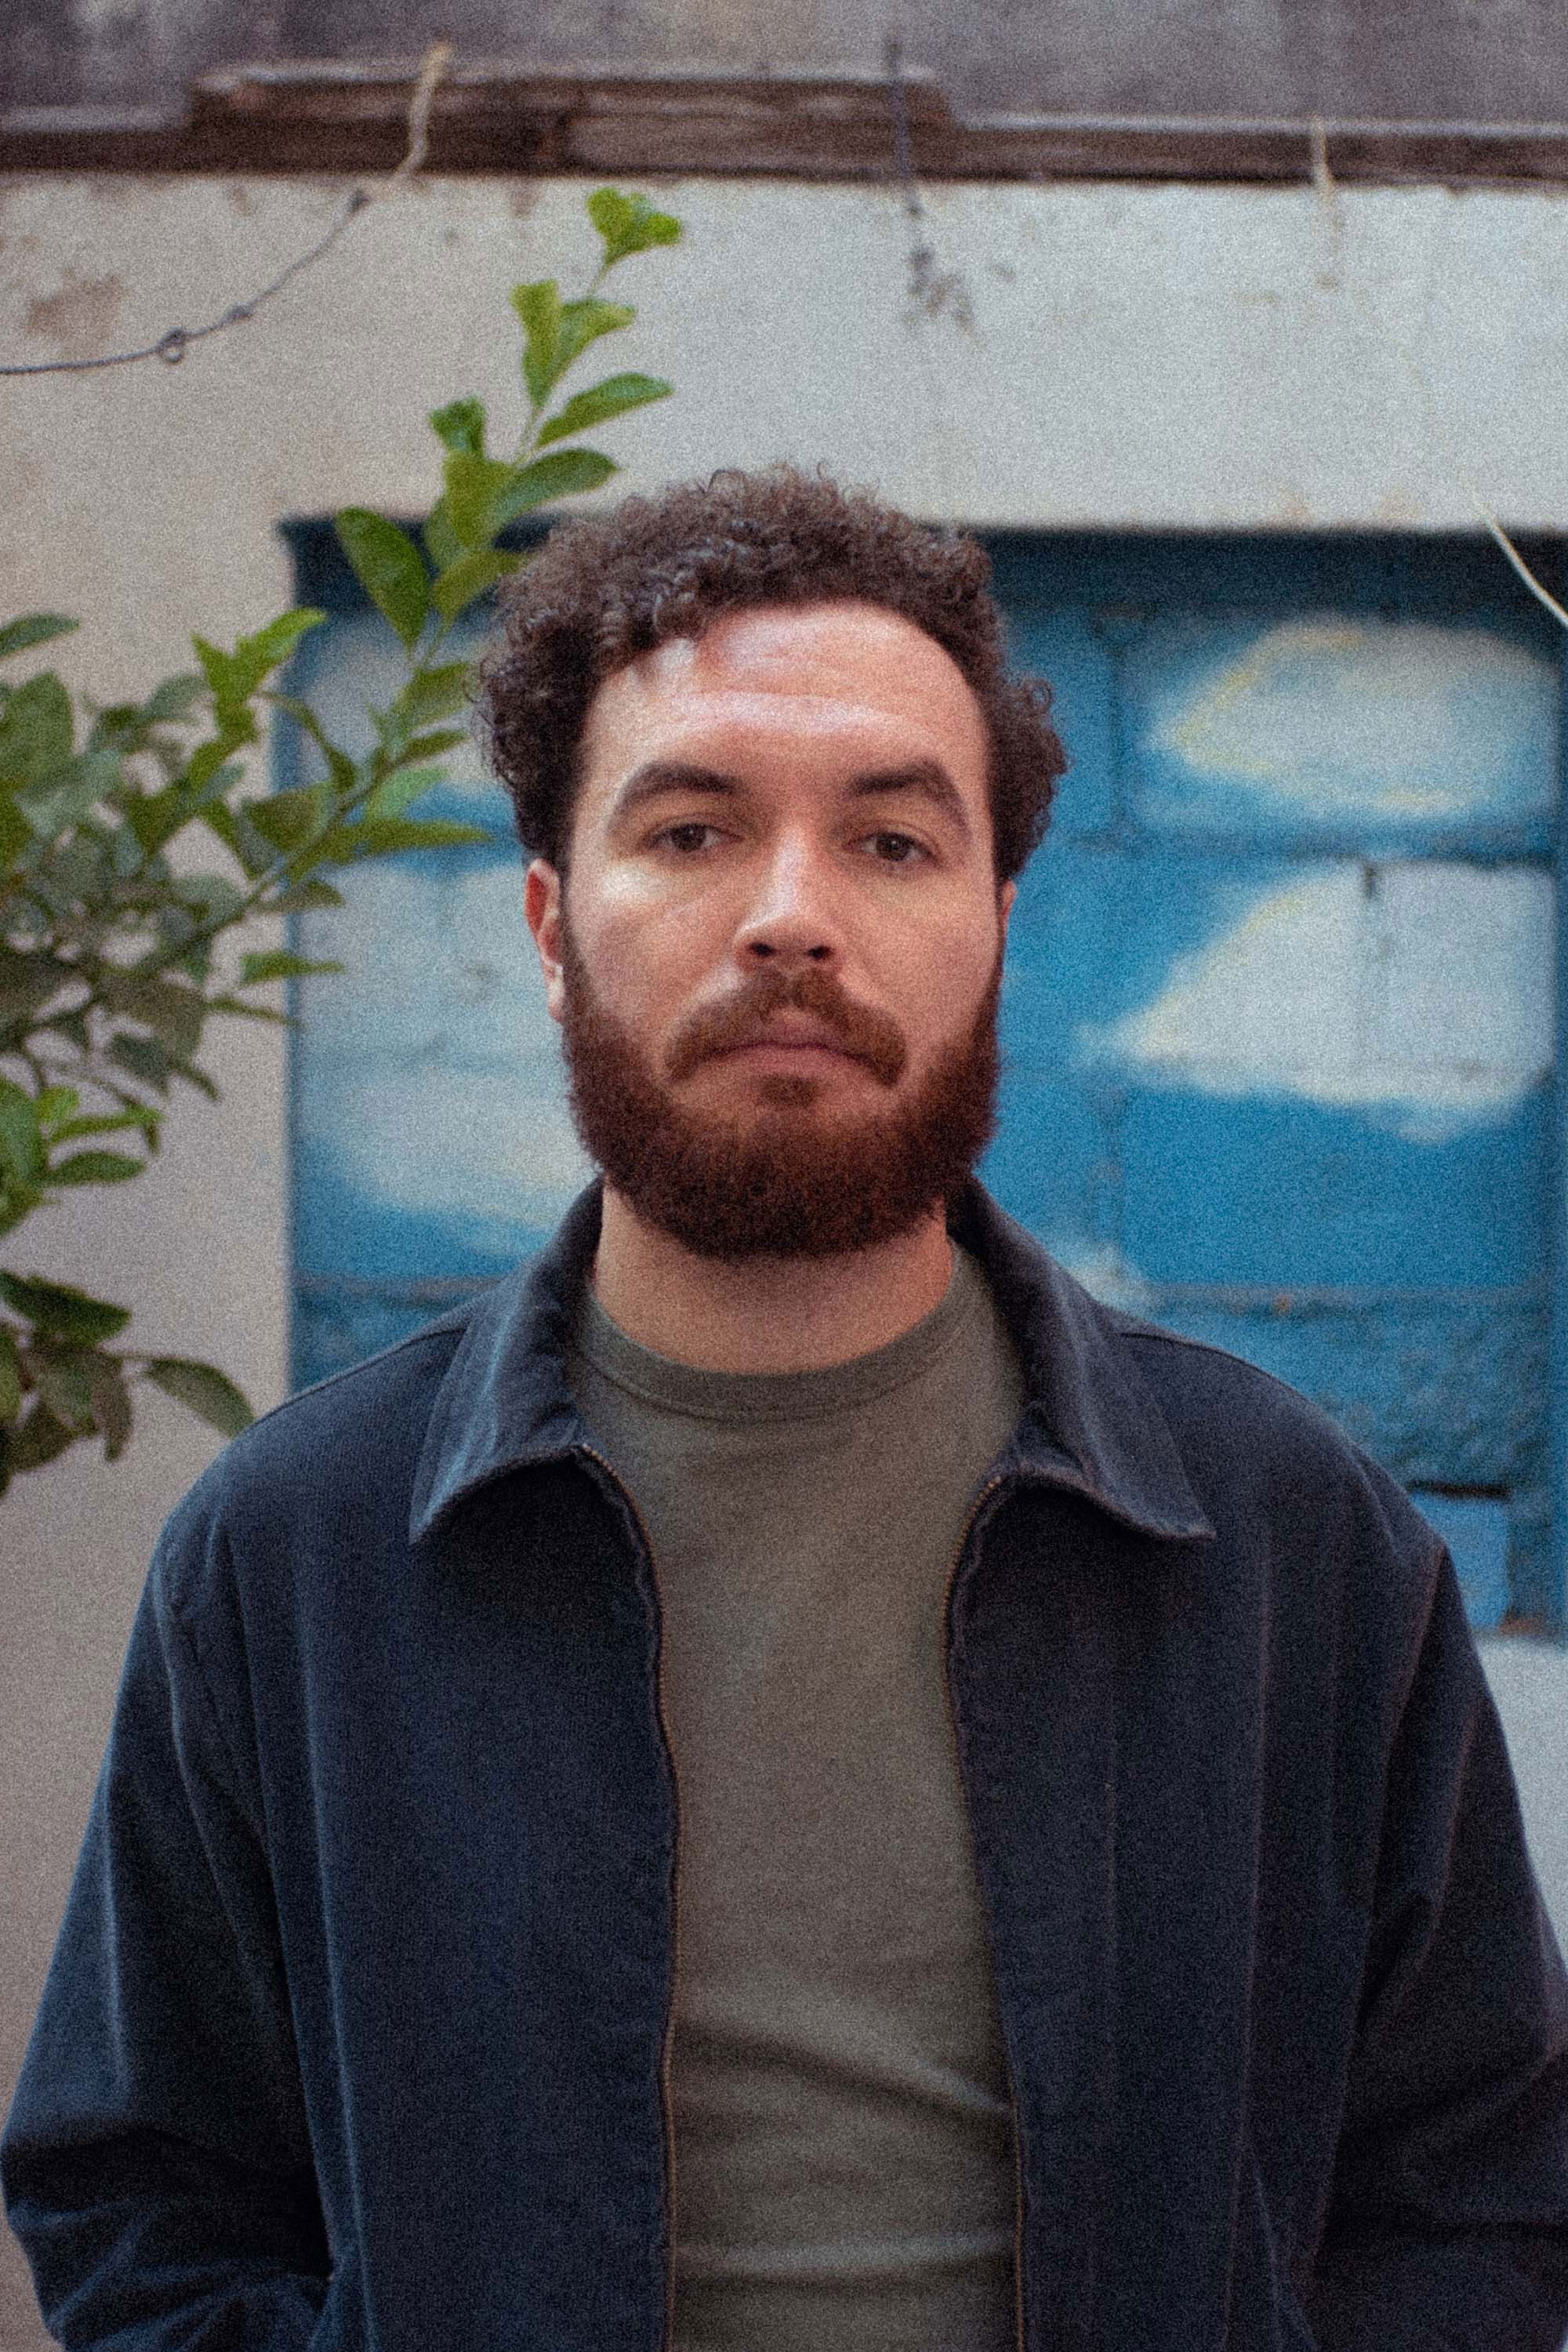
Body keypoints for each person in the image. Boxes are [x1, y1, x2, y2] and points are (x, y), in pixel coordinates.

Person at [5, 466, 1567, 2352]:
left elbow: (1476, 2194)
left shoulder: (1285, 1538)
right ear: (548, 922)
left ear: (999, 922)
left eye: (891, 842)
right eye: (691, 831)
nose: (790, 920)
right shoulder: (298, 1550)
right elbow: (146, 2201)